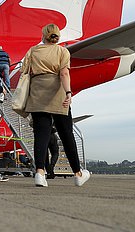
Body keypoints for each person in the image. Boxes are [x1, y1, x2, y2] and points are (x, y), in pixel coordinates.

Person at [21, 23, 91, 187]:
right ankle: (78, 174)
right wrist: (68, 92)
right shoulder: (62, 51)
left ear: (43, 35)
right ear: (57, 36)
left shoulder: (33, 51)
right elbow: (64, 73)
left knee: (41, 136)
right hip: (58, 93)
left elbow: (26, 71)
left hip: (38, 92)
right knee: (67, 135)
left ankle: (39, 173)